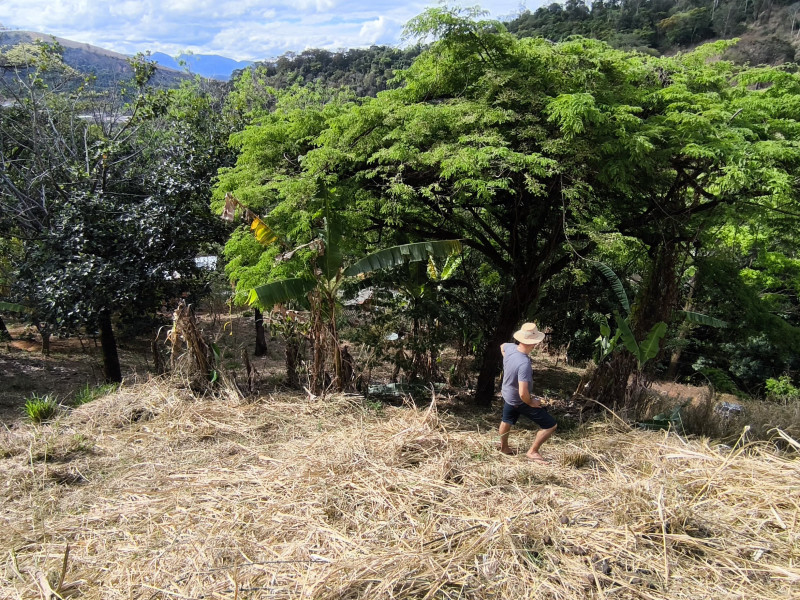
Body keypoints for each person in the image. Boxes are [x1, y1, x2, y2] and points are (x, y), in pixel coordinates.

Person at [498, 323, 557, 464]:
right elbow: (523, 393)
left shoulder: (511, 348)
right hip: (519, 400)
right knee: (550, 425)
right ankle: (533, 451)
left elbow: (502, 346)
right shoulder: (524, 364)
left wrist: (506, 359)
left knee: (506, 420)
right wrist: (532, 402)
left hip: (508, 395)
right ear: (534, 343)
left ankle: (504, 447)